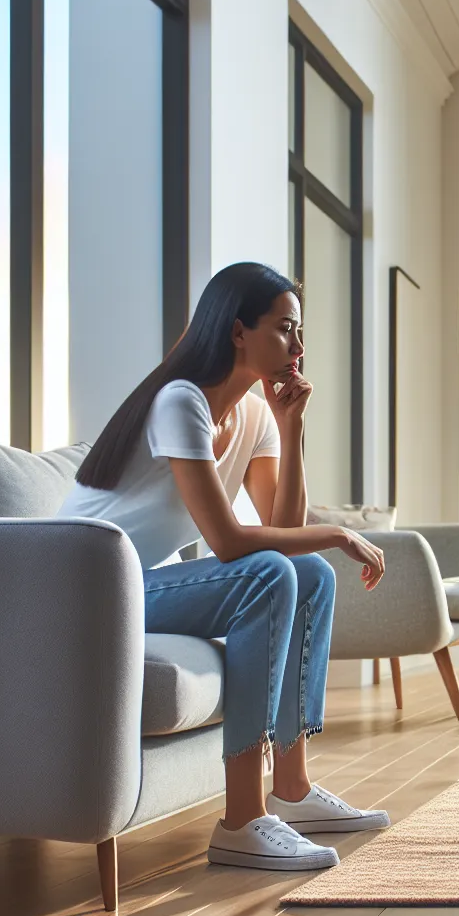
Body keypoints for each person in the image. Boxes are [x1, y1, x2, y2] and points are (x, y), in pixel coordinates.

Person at [58, 262, 391, 869]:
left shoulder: (255, 414)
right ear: (239, 332)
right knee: (269, 573)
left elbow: (286, 533)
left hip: (136, 587)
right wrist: (340, 530)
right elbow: (232, 542)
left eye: (299, 331)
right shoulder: (179, 401)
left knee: (308, 572)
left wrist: (291, 432)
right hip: (85, 593)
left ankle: (291, 789)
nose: (299, 346)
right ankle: (243, 818)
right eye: (285, 329)